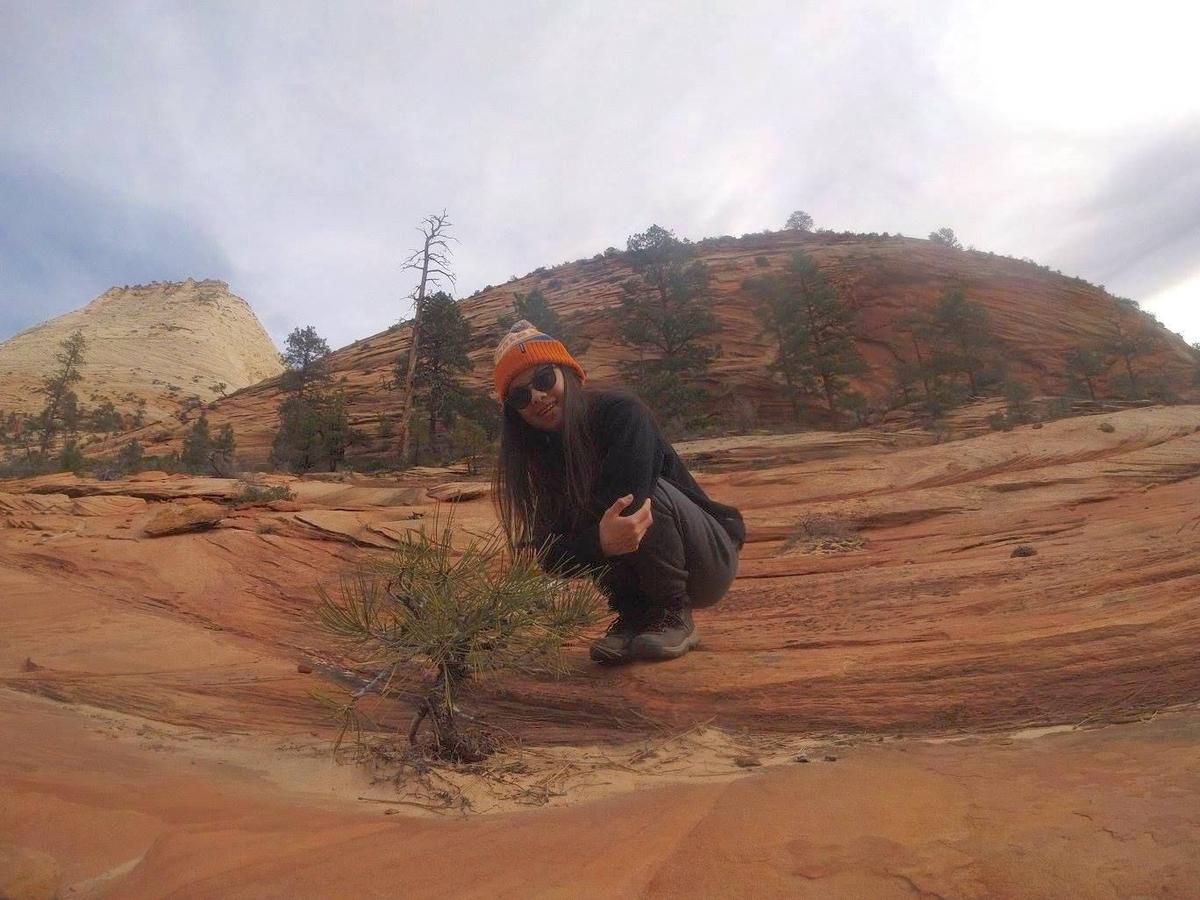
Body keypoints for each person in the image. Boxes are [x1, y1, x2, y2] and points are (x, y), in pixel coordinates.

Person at [492, 320, 745, 663]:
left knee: (638, 497)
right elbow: (550, 555)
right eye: (521, 395)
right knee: (594, 519)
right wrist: (597, 542)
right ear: (515, 413)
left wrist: (592, 538)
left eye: (544, 379)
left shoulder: (621, 413)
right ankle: (633, 617)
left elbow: (631, 501)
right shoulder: (539, 462)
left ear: (567, 373)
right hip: (635, 565)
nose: (537, 396)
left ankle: (673, 613)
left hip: (707, 560)